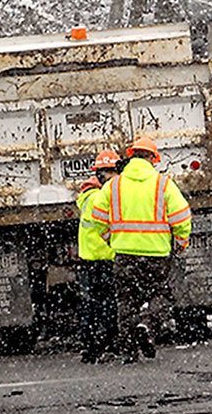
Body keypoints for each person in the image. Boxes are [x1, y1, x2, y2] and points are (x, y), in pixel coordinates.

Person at [86, 136, 192, 363]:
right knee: (162, 294)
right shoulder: (163, 184)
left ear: (131, 156)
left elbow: (97, 217)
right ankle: (148, 323)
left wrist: (110, 238)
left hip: (124, 254)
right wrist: (181, 242)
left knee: (126, 301)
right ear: (153, 159)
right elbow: (181, 216)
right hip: (157, 254)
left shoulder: (114, 185)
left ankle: (128, 350)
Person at [75, 149, 121, 363]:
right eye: (112, 172)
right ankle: (109, 342)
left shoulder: (87, 196)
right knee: (109, 303)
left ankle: (91, 346)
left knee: (91, 304)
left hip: (89, 259)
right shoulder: (102, 197)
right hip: (106, 257)